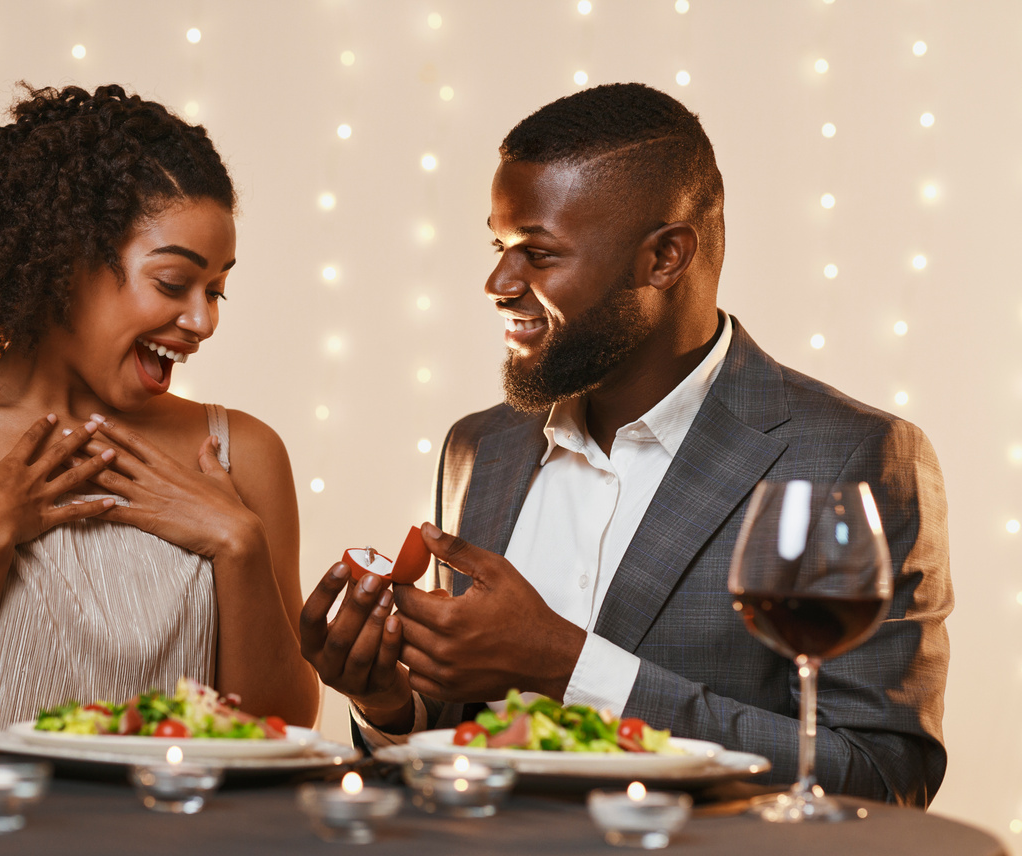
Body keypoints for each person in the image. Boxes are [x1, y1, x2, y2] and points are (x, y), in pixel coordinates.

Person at [300, 83, 951, 807]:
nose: (497, 281)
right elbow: (461, 734)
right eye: (498, 245)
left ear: (665, 257)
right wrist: (391, 707)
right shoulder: (477, 448)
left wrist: (567, 666)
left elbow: (883, 778)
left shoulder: (852, 455)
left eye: (537, 254)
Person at [0, 84, 320, 755]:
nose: (203, 322)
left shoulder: (241, 452)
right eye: (174, 283)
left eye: (217, 289)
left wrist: (237, 542)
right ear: (65, 262)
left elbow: (279, 734)